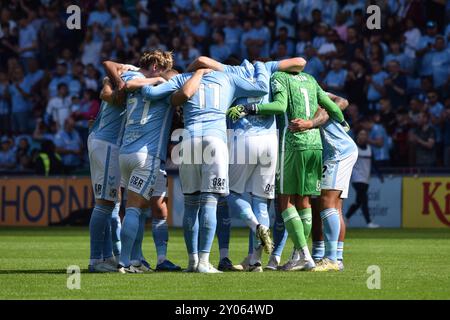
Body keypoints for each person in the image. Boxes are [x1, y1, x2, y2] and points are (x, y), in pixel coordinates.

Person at [140, 62, 270, 273]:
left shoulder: (183, 78)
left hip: (188, 139)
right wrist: (259, 66)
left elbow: (150, 93)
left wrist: (147, 78)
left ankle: (192, 261)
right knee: (209, 203)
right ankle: (204, 262)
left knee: (191, 205)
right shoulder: (228, 77)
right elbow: (262, 87)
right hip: (214, 140)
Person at [187, 55, 306, 272]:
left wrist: (191, 71)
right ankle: (256, 261)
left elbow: (201, 59)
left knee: (227, 192)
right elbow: (300, 61)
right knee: (261, 202)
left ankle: (256, 226)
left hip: (243, 139)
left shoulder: (229, 71)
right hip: (270, 142)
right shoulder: (268, 68)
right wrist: (273, 65)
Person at [227, 70, 346, 271]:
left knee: (285, 202)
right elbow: (334, 106)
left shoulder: (278, 78)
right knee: (304, 201)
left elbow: (280, 106)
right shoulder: (311, 78)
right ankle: (298, 255)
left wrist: (249, 108)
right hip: (315, 144)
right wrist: (342, 121)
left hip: (292, 144)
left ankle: (305, 257)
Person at [286, 93, 357, 272]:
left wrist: (323, 112)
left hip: (337, 151)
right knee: (326, 205)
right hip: (327, 153)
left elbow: (343, 101)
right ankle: (328, 257)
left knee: (327, 203)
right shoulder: (299, 89)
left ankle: (331, 258)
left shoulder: (308, 88)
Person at [345, 129, 381, 228]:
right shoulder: (354, 148)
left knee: (359, 201)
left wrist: (379, 175)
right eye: (361, 134)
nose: (363, 136)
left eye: (365, 134)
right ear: (357, 136)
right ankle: (369, 222)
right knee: (364, 200)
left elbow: (374, 163)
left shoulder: (369, 148)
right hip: (356, 178)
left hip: (366, 178)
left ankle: (347, 217)